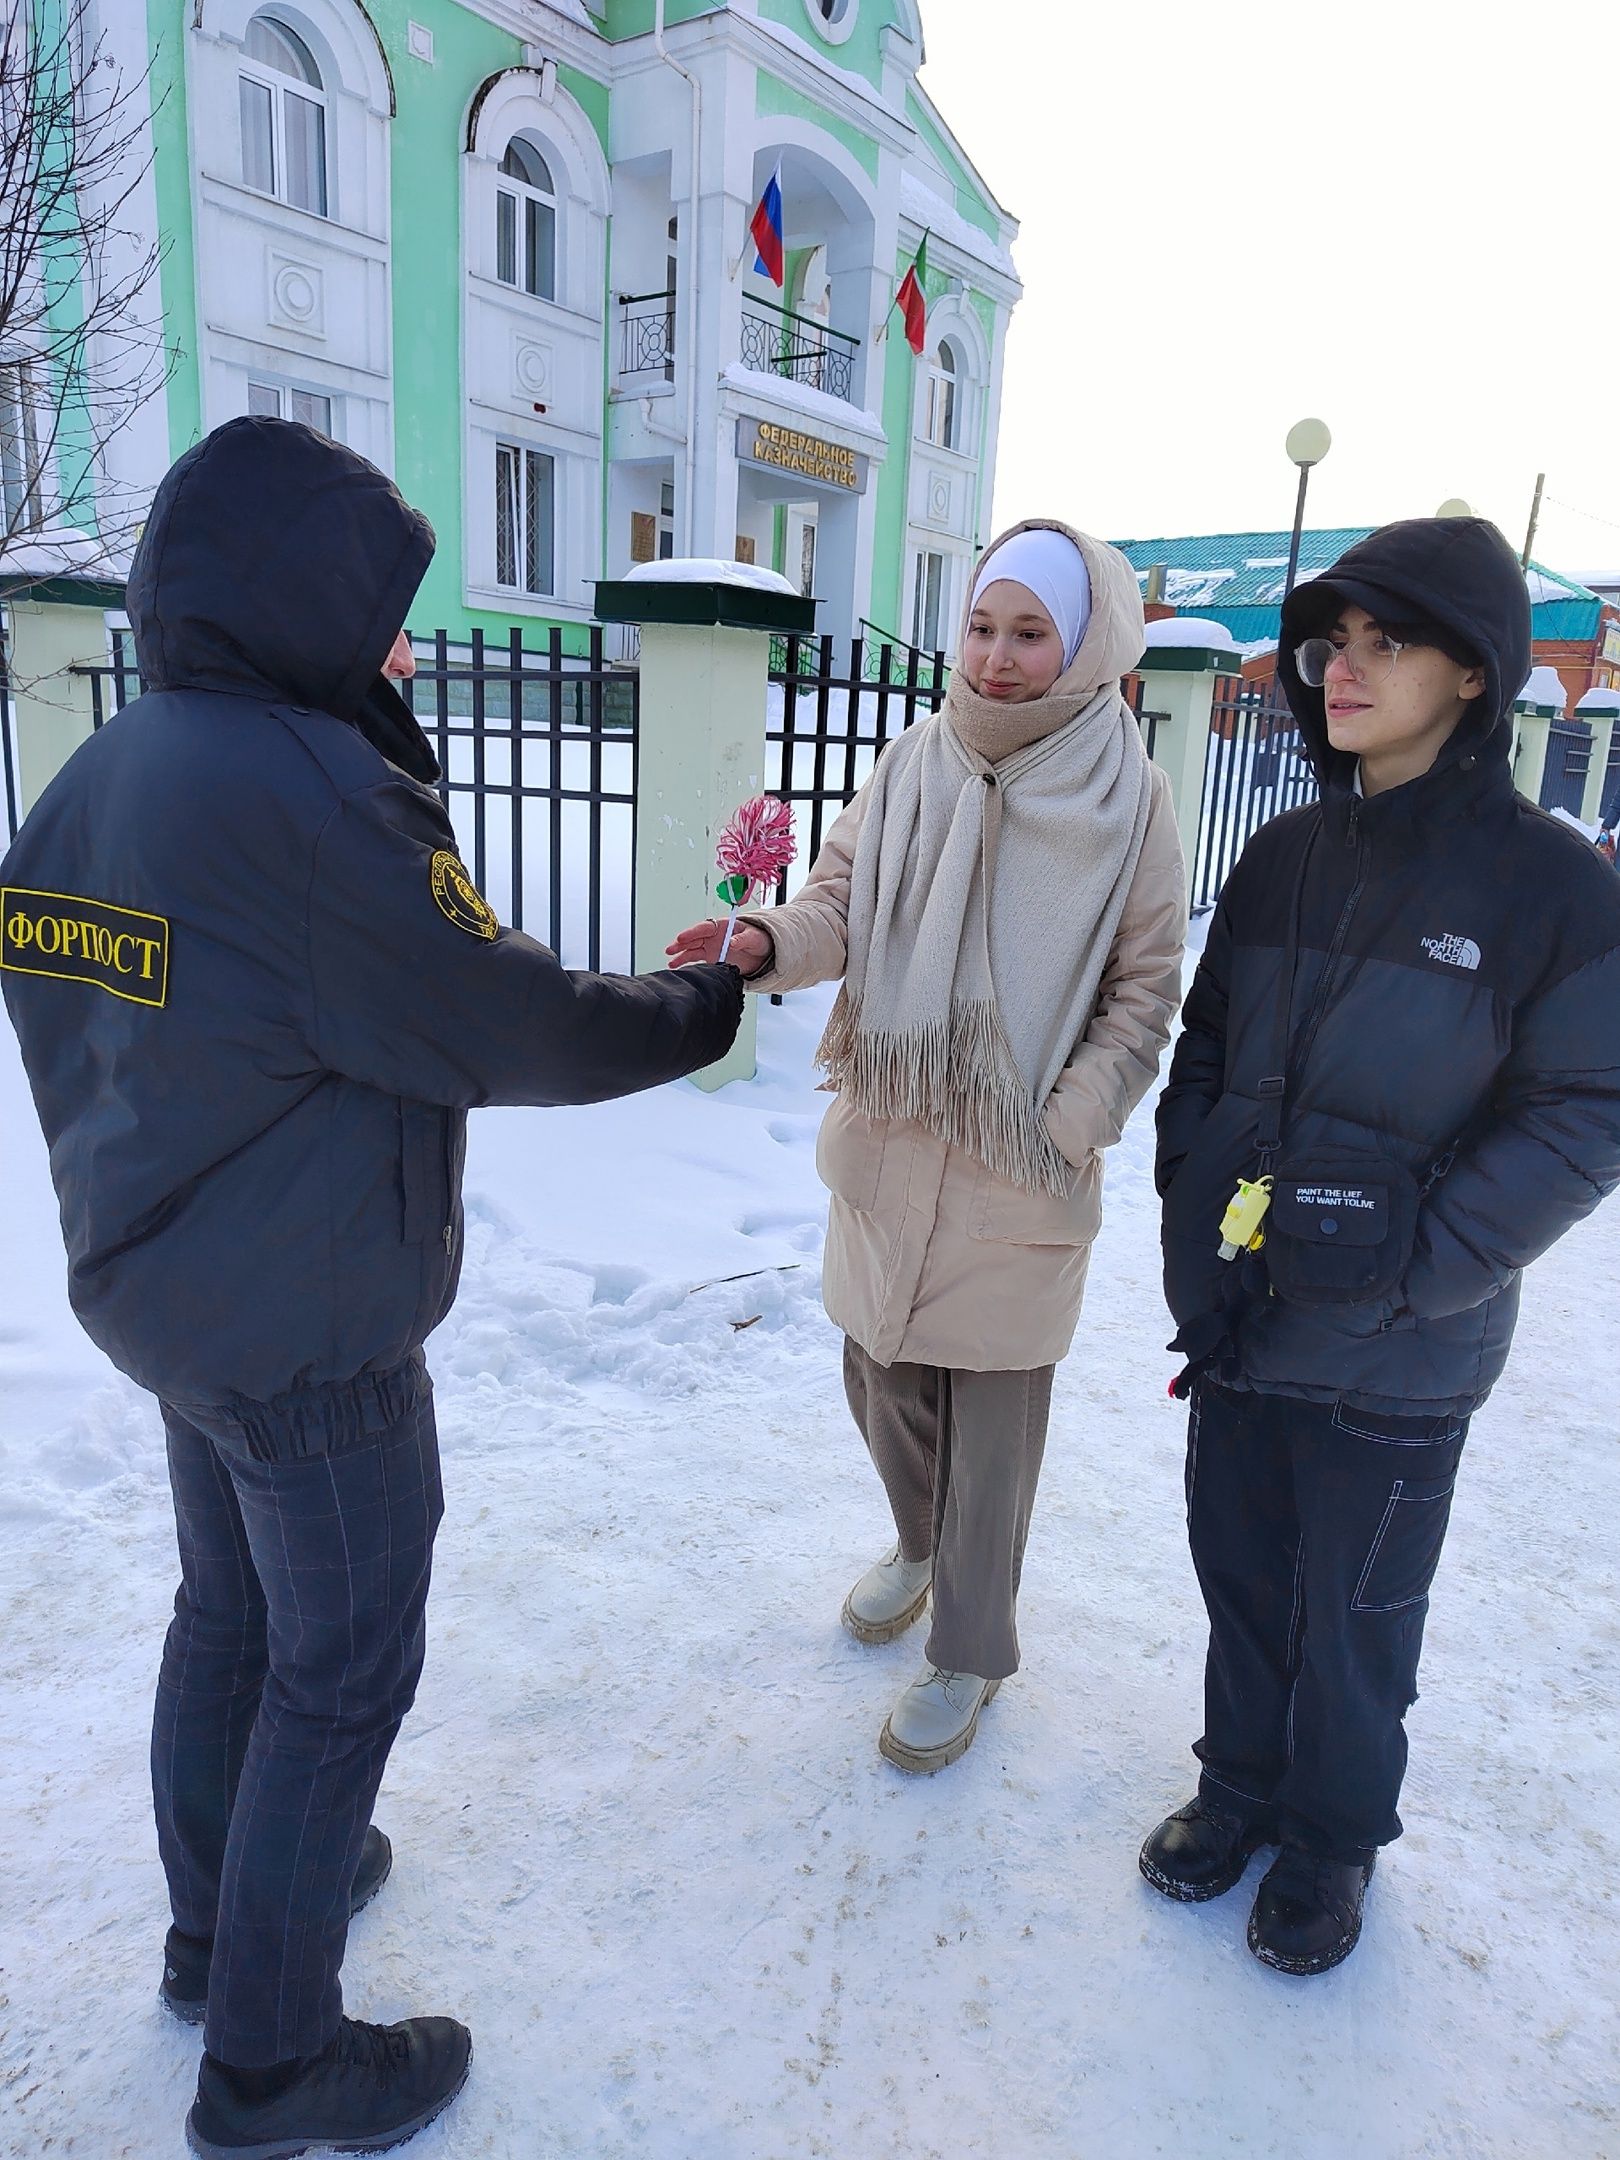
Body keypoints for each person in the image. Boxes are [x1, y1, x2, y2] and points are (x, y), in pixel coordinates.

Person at [0, 417, 743, 2159]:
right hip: (308, 1323)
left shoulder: (106, 769)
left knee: (232, 1620)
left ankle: (222, 1931)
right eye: (382, 607)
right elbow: (510, 1021)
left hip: (161, 1283)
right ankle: (271, 2062)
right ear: (297, 596)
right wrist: (699, 1005)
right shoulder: (313, 799)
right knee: (339, 1673)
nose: (401, 644)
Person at [1143, 516, 1620, 1975]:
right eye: (1329, 642)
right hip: (1243, 1313)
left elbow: (1586, 1109)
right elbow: (1209, 1045)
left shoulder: (1559, 889)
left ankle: (1333, 1839)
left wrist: (1417, 1266)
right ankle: (1237, 1788)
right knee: (1239, 1573)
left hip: (1407, 1345)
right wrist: (1190, 1180)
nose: (1343, 669)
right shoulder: (1283, 854)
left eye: (1385, 641)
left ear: (1471, 673)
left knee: (1356, 1613)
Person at [668, 521, 1186, 1772]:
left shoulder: (1131, 796)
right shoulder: (914, 759)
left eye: (1030, 634)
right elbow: (841, 898)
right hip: (896, 1137)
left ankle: (969, 1649)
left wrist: (1070, 1116)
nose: (998, 659)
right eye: (982, 627)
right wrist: (765, 942)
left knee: (995, 1436)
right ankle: (915, 1545)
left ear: (1087, 646)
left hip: (1018, 1161)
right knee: (881, 1379)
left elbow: (1146, 984)